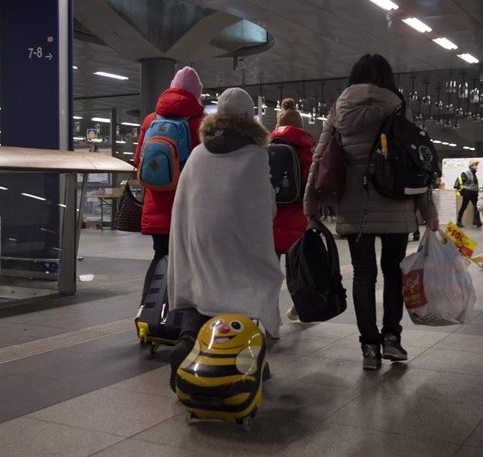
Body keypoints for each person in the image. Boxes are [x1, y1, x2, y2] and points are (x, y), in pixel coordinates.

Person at [303, 53, 439, 370]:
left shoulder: (339, 109)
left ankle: (369, 348)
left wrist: (311, 205)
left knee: (364, 275)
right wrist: (427, 209)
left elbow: (319, 158)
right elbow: (415, 162)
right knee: (393, 274)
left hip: (355, 205)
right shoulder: (396, 105)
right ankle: (392, 338)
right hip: (396, 202)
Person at [167, 87, 284, 389]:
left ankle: (188, 339)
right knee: (251, 286)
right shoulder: (255, 154)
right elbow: (264, 206)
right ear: (248, 117)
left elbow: (183, 203)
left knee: (202, 285)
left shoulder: (198, 153)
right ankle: (248, 358)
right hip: (239, 239)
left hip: (201, 236)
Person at [133, 67, 205, 296]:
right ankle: (179, 316)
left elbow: (138, 161)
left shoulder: (150, 120)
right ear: (197, 94)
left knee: (160, 256)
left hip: (156, 204)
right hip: (188, 206)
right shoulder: (201, 123)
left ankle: (147, 310)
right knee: (188, 261)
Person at [268, 98, 316, 322]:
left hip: (272, 217)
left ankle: (269, 313)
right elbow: (310, 185)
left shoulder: (267, 148)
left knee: (269, 270)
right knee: (297, 270)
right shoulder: (307, 152)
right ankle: (299, 309)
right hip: (298, 217)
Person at [455, 159, 482, 228]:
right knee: (464, 207)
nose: (477, 166)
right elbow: (463, 181)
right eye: (475, 165)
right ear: (471, 165)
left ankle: (478, 221)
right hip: (468, 192)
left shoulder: (474, 172)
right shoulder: (466, 172)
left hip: (474, 192)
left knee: (476, 207)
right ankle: (459, 221)